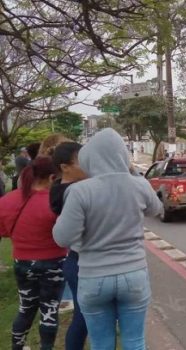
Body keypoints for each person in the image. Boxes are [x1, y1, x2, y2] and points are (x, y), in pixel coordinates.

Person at [53, 128, 163, 350]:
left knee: (101, 342)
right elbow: (156, 209)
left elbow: (63, 238)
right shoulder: (138, 184)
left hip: (94, 276)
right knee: (135, 340)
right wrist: (131, 173)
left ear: (89, 158)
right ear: (123, 155)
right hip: (134, 274)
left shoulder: (80, 191)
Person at [0, 157, 68, 350]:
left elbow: (3, 231)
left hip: (22, 262)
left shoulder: (8, 200)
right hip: (55, 262)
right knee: (49, 309)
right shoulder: (56, 202)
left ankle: (17, 347)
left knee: (26, 308)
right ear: (52, 177)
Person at [50, 142, 89, 350]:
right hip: (80, 260)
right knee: (82, 317)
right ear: (65, 167)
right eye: (81, 161)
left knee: (83, 316)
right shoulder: (73, 192)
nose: (88, 165)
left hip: (75, 259)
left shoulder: (59, 186)